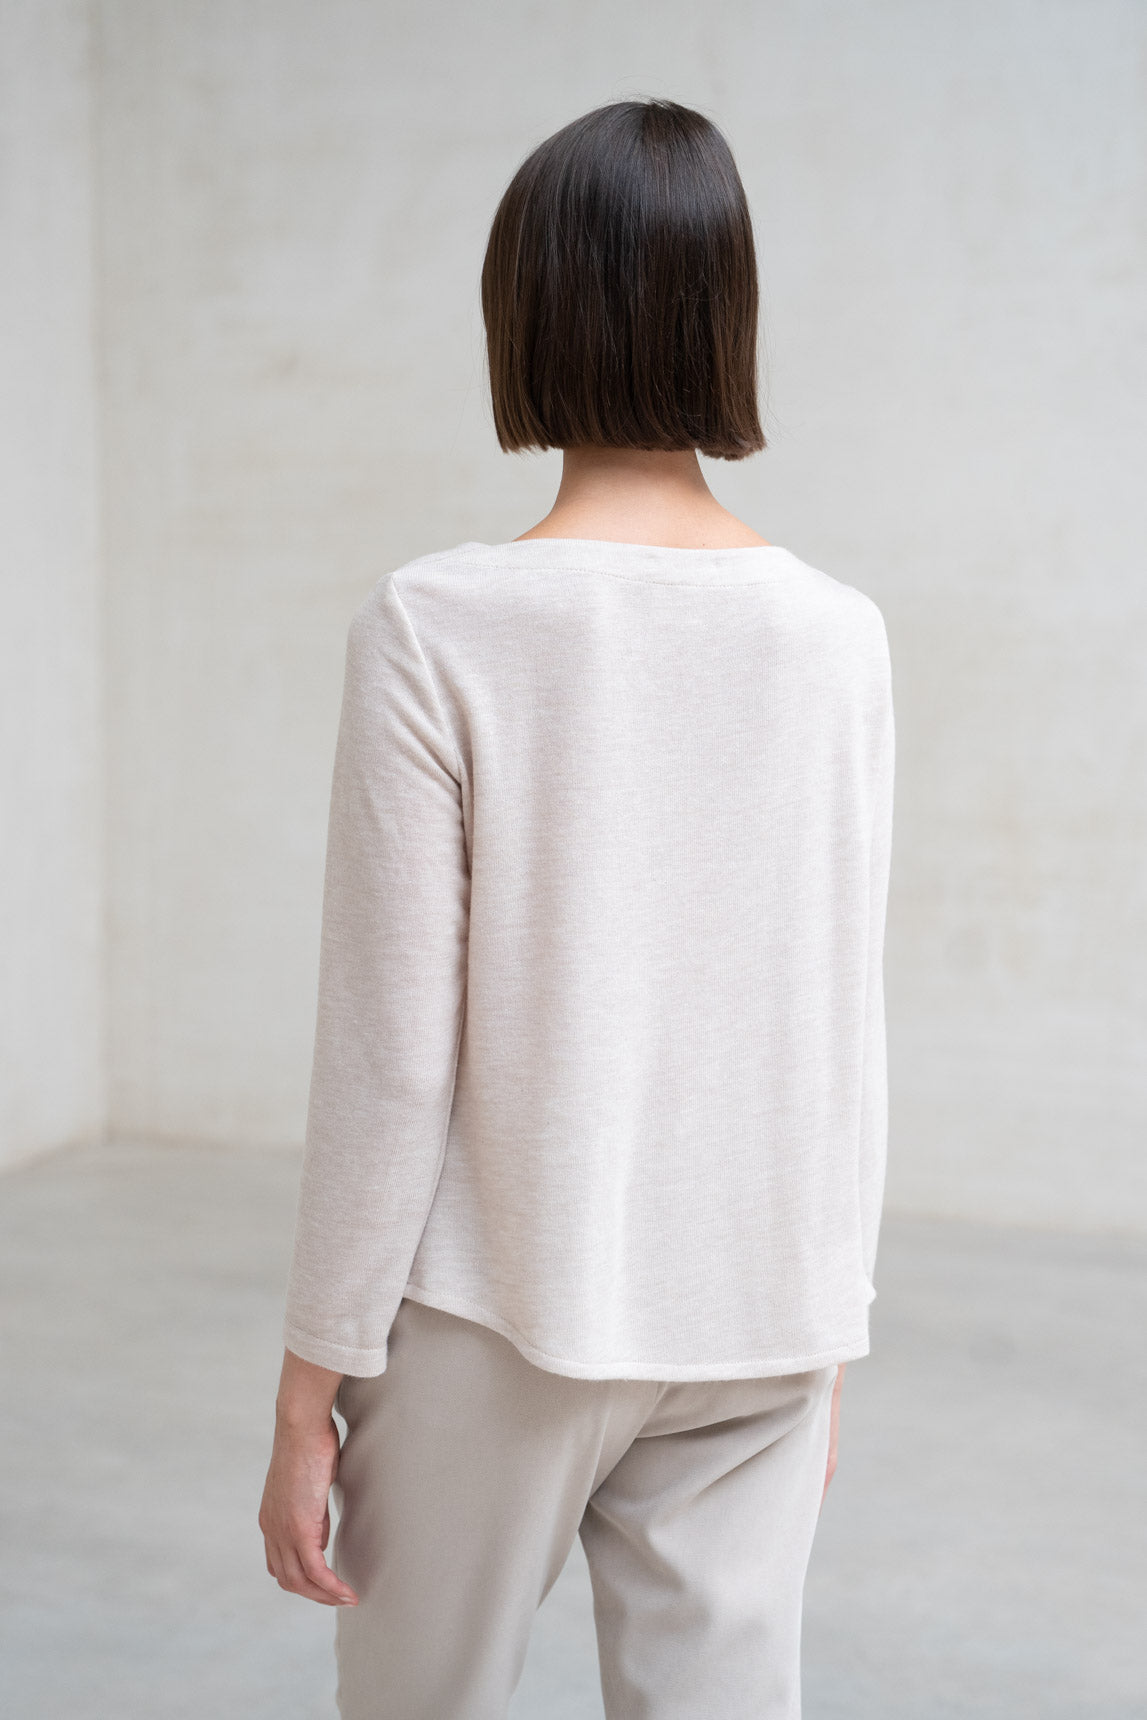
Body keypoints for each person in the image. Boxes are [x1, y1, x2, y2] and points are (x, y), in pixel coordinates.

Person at [259, 97, 895, 1720]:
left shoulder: (439, 625)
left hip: (501, 1308)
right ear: (727, 316)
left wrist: (312, 1378)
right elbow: (836, 1010)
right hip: (754, 1314)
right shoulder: (838, 636)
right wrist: (824, 1322)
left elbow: (394, 1055)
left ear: (524, 313)